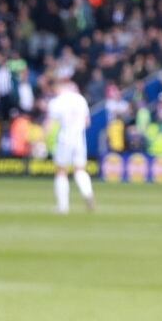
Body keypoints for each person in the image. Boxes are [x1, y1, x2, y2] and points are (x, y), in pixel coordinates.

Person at [45, 71, 96, 214]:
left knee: (61, 172)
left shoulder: (56, 102)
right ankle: (87, 193)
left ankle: (63, 206)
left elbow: (50, 124)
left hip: (65, 138)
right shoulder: (80, 99)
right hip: (79, 138)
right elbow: (87, 123)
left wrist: (42, 140)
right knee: (80, 169)